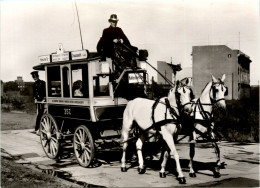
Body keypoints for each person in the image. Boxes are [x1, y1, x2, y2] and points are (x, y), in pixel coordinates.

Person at [31, 71, 46, 135]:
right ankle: (37, 128)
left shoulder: (42, 83)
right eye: (34, 77)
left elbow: (45, 91)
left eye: (35, 77)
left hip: (43, 101)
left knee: (41, 114)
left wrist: (44, 99)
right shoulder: (34, 85)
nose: (35, 78)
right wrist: (35, 98)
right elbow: (34, 93)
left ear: (38, 76)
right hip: (38, 101)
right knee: (39, 114)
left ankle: (39, 128)